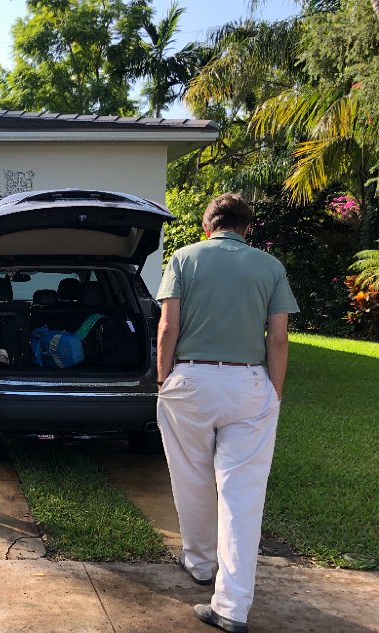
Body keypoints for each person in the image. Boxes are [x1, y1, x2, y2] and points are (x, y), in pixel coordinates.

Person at [156, 193, 299, 633]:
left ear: (208, 226)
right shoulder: (269, 267)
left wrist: (163, 379)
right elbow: (278, 338)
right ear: (246, 228)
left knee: (191, 479)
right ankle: (232, 607)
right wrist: (274, 391)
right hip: (249, 385)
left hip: (191, 381)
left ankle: (200, 563)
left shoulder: (184, 258)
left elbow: (168, 326)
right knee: (242, 496)